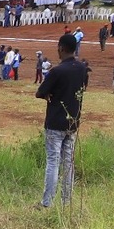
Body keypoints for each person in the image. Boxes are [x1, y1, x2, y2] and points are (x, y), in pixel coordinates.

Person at [36, 31, 89, 209]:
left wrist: (49, 94)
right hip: (72, 121)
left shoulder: (57, 71)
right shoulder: (81, 68)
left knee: (53, 162)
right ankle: (67, 202)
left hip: (55, 123)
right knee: (68, 163)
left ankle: (47, 202)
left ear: (61, 48)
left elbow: (40, 92)